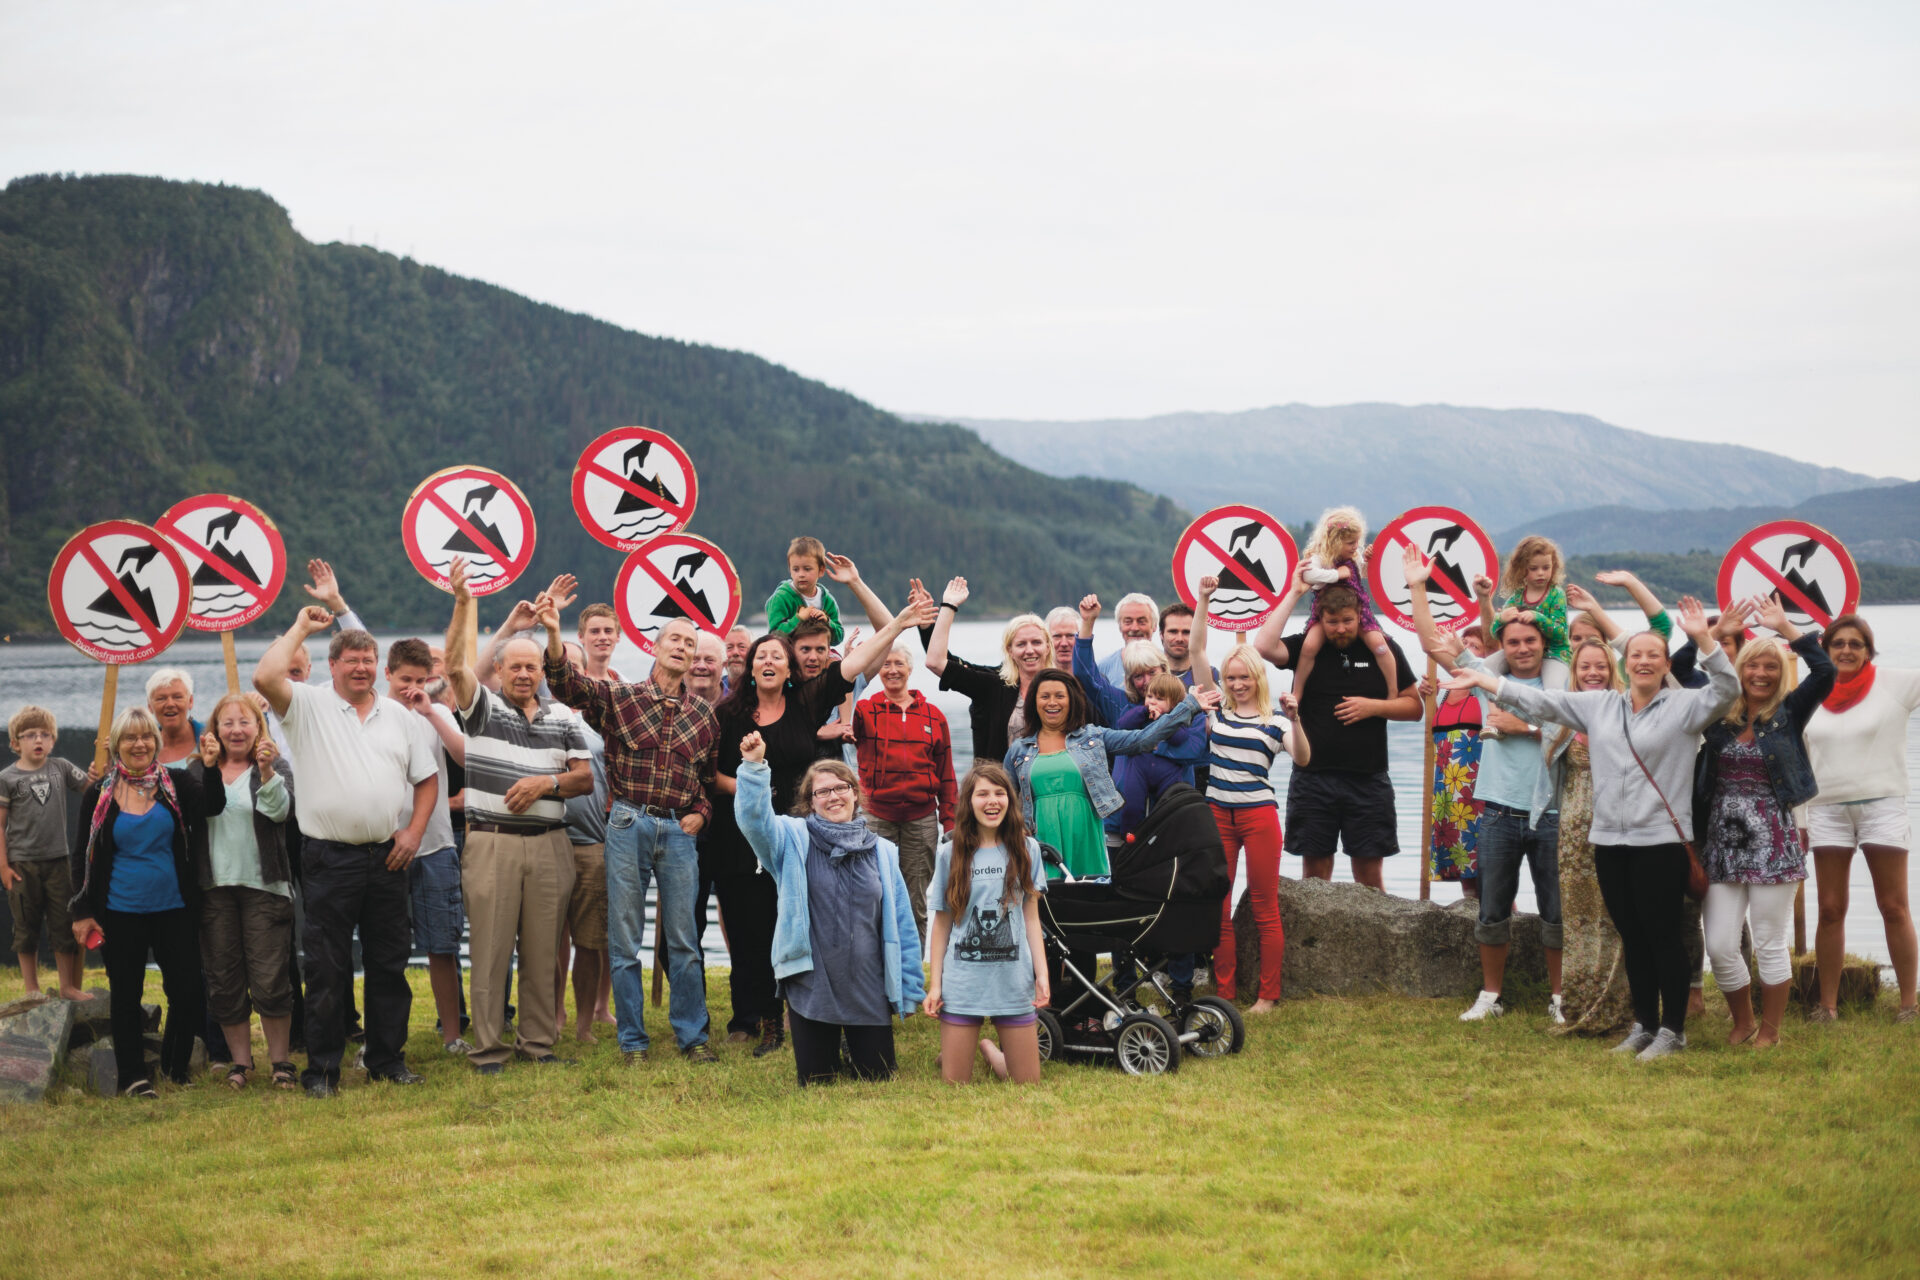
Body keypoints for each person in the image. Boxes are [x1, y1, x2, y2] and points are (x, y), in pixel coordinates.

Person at [1439, 598, 1737, 1060]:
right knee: (1633, 936)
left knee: (1662, 936)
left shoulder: (1686, 708)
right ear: (1626, 661)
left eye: (1652, 655)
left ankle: (1673, 1030)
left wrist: (1704, 639)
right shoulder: (1600, 706)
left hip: (1659, 842)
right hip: (1608, 842)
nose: (1642, 662)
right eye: (1635, 655)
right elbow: (1542, 700)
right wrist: (1484, 677)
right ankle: (1644, 1024)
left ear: (1664, 664)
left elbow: (1726, 688)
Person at [709, 604, 932, 1056]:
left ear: (790, 668)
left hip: (806, 838)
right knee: (749, 927)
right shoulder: (729, 713)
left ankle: (796, 1017)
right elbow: (710, 774)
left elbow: (852, 664)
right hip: (747, 835)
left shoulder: (807, 702)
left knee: (796, 924)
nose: (768, 662)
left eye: (777, 656)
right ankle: (752, 1019)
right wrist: (757, 791)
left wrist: (899, 624)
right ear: (749, 668)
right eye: (760, 657)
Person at [255, 607, 439, 1096]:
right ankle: (322, 1072)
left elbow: (426, 779)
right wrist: (301, 627)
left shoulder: (399, 716)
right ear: (332, 665)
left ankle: (386, 1060)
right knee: (327, 968)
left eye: (368, 660)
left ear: (378, 665)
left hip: (388, 857)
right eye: (351, 659)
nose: (361, 667)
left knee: (389, 964)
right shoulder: (306, 707)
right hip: (327, 858)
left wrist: (414, 832)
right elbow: (264, 674)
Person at [542, 590, 720, 1065]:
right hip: (627, 821)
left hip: (679, 833)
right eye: (674, 639)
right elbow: (565, 684)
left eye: (690, 642)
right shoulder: (619, 699)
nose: (682, 647)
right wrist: (555, 631)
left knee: (683, 940)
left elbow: (705, 782)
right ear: (655, 647)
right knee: (624, 940)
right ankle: (633, 1044)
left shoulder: (704, 716)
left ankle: (692, 1038)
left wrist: (701, 813)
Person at [1408, 548, 1567, 1025]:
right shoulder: (1486, 680)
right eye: (1513, 641)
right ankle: (1490, 995)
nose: (1521, 648)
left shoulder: (1564, 684)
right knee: (1492, 910)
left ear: (1544, 644)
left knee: (1556, 913)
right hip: (1496, 811)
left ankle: (1559, 998)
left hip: (1551, 812)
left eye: (1530, 641)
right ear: (1504, 646)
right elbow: (1432, 643)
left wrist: (1527, 729)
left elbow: (1575, 734)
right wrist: (1419, 585)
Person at [445, 563, 593, 1074]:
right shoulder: (481, 709)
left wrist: (545, 783)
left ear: (542, 672)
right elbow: (454, 667)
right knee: (489, 950)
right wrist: (466, 604)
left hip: (552, 843)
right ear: (501, 672)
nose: (526, 674)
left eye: (533, 667)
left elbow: (584, 779)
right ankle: (488, 1050)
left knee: (542, 949)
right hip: (494, 843)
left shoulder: (562, 717)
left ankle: (538, 1045)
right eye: (516, 667)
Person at [734, 730, 924, 1086]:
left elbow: (902, 922)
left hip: (868, 985)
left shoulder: (883, 851)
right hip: (813, 985)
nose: (834, 796)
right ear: (810, 801)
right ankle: (829, 1042)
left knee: (877, 1079)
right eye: (823, 791)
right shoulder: (792, 839)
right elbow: (753, 822)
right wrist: (754, 766)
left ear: (855, 793)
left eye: (841, 788)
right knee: (817, 1080)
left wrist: (910, 985)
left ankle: (855, 1045)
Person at [1695, 596, 1834, 1046]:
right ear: (1740, 671)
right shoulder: (1720, 716)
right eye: (1753, 667)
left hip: (1774, 843)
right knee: (1719, 945)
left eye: (1770, 668)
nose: (1760, 675)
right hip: (1722, 842)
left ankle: (1770, 1032)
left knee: (1772, 943)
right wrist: (1712, 634)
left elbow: (1826, 671)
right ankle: (1742, 1020)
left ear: (1780, 675)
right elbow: (1679, 671)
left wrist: (1787, 630)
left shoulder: (1789, 714)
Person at [68, 709, 224, 1097]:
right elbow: (81, 856)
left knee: (187, 992)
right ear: (117, 745)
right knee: (126, 994)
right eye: (130, 738)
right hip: (119, 912)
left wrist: (212, 766)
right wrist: (83, 911)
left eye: (146, 737)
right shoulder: (99, 792)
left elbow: (212, 806)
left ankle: (175, 1068)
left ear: (156, 741)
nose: (139, 744)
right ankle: (134, 1078)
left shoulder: (177, 782)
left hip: (174, 907)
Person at [1253, 571, 1422, 888]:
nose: (1341, 628)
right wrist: (1293, 592)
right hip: (1313, 778)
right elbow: (1263, 646)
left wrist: (1374, 706)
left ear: (1360, 615)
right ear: (1321, 619)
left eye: (1348, 620)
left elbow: (1414, 708)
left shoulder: (1381, 649)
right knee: (1314, 880)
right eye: (1332, 622)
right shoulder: (1308, 647)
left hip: (1369, 779)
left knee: (1370, 880)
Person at [1188, 579, 1310, 1012]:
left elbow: (1303, 758)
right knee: (1217, 907)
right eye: (1232, 678)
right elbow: (1198, 651)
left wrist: (1295, 719)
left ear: (1257, 677)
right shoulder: (1216, 710)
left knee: (1264, 906)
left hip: (1259, 816)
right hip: (1218, 814)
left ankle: (1267, 995)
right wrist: (1203, 601)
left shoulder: (1275, 721)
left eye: (1244, 677)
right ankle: (1225, 993)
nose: (1237, 684)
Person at [1803, 612, 1920, 1022]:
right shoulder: (1811, 692)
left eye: (1856, 644)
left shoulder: (1896, 684)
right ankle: (1827, 1007)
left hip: (1883, 805)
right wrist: (1800, 820)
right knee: (1831, 908)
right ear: (1825, 649)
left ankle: (1909, 1004)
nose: (1847, 650)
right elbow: (1799, 759)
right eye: (1839, 644)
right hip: (1826, 809)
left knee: (1894, 907)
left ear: (1869, 650)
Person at [190, 692, 299, 1090]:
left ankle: (281, 1061)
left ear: (259, 728)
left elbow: (281, 812)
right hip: (214, 888)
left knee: (270, 978)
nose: (236, 730)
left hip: (264, 885)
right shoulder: (198, 769)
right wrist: (204, 768)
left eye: (244, 722)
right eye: (227, 723)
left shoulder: (273, 766)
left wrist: (267, 772)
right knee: (224, 978)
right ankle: (240, 1063)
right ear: (214, 730)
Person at [924, 763, 1049, 1084]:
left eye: (999, 793)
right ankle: (966, 1047)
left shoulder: (1027, 849)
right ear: (969, 801)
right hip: (963, 984)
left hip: (1013, 981)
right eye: (982, 794)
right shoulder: (949, 853)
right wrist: (936, 985)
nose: (992, 801)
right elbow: (941, 925)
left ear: (1010, 799)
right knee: (955, 1084)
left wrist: (1042, 975)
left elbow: (1032, 919)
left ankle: (991, 1050)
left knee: (1027, 1083)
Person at [385, 637, 472, 1057]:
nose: (411, 688)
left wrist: (429, 713)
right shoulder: (374, 715)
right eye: (405, 680)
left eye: (421, 680)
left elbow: (465, 756)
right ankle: (387, 1035)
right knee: (387, 950)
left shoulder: (435, 711)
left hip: (436, 843)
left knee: (443, 944)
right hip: (384, 845)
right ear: (388, 674)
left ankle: (452, 1034)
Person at [1546, 640, 1637, 1036]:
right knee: (1579, 919)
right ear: (1575, 671)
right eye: (1585, 667)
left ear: (1612, 669)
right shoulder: (1566, 713)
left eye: (1601, 666)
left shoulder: (1625, 710)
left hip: (1617, 827)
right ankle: (1579, 1005)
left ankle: (1619, 1009)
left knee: (1615, 918)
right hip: (1572, 830)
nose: (1593, 673)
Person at [852, 640, 959, 944]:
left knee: (915, 903)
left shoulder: (933, 715)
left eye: (899, 663)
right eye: (885, 664)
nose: (893, 670)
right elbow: (842, 699)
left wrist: (949, 822)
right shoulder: (864, 710)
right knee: (874, 898)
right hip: (876, 818)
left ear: (910, 669)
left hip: (921, 821)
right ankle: (877, 978)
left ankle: (911, 981)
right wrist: (851, 663)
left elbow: (947, 774)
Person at [2, 707, 91, 999]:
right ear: (15, 743)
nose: (38, 740)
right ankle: (32, 989)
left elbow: (92, 789)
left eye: (45, 734)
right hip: (22, 864)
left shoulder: (61, 767)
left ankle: (67, 987)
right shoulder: (7, 778)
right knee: (26, 927)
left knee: (63, 925)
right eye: (30, 735)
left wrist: (98, 768)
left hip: (58, 862)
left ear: (53, 740)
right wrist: (3, 866)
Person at [924, 578, 1056, 769]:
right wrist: (949, 606)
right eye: (1021, 644)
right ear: (1010, 650)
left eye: (1036, 642)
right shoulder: (991, 686)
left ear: (1047, 647)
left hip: (1049, 791)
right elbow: (935, 661)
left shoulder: (1062, 688)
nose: (1029, 650)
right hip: (1001, 793)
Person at [1289, 507, 1398, 703]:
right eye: (1350, 543)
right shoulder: (1320, 557)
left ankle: (1392, 691)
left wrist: (1367, 560)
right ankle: (1297, 692)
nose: (1356, 547)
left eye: (1357, 542)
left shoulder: (1355, 556)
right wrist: (1337, 575)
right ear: (1335, 541)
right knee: (1309, 647)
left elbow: (1363, 574)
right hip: (1327, 612)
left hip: (1357, 609)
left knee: (1380, 645)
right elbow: (1308, 574)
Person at [1422, 625, 1490, 897]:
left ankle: (1506, 929)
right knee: (1466, 879)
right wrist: (1425, 695)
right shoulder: (1443, 691)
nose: (1467, 651)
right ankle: (1472, 933)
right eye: (1464, 644)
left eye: (1475, 647)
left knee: (1490, 878)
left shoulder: (1483, 692)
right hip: (1447, 795)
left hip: (1476, 795)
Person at [1480, 535, 1571, 663]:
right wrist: (1501, 619)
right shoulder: (1516, 598)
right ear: (1521, 569)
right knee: (1488, 666)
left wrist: (1537, 617)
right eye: (1533, 568)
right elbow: (1494, 633)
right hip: (1521, 653)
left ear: (1554, 566)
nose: (1540, 573)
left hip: (1554, 656)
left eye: (1546, 568)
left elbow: (1561, 634)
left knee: (1554, 684)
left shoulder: (1556, 595)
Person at [765, 535, 844, 644]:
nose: (801, 574)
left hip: (819, 655)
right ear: (790, 570)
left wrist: (827, 621)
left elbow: (839, 637)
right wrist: (799, 619)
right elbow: (774, 637)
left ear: (821, 570)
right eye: (796, 569)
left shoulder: (828, 601)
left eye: (807, 569)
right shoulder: (781, 598)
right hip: (790, 656)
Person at [1097, 592, 1159, 686]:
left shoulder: (1167, 664)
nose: (1134, 628)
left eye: (1141, 622)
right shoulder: (1103, 668)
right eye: (1128, 622)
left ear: (1154, 625)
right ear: (1119, 626)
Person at [146, 668, 203, 768]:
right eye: (161, 699)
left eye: (177, 697)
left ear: (190, 701)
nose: (170, 704)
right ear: (150, 706)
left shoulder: (213, 739)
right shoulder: (142, 749)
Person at [575, 602, 625, 683]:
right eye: (594, 631)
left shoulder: (623, 681)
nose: (603, 637)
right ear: (581, 637)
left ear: (618, 636)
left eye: (608, 631)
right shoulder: (571, 681)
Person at [722, 625, 751, 696]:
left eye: (742, 647)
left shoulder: (761, 690)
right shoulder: (714, 690)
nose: (735, 652)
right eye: (729, 647)